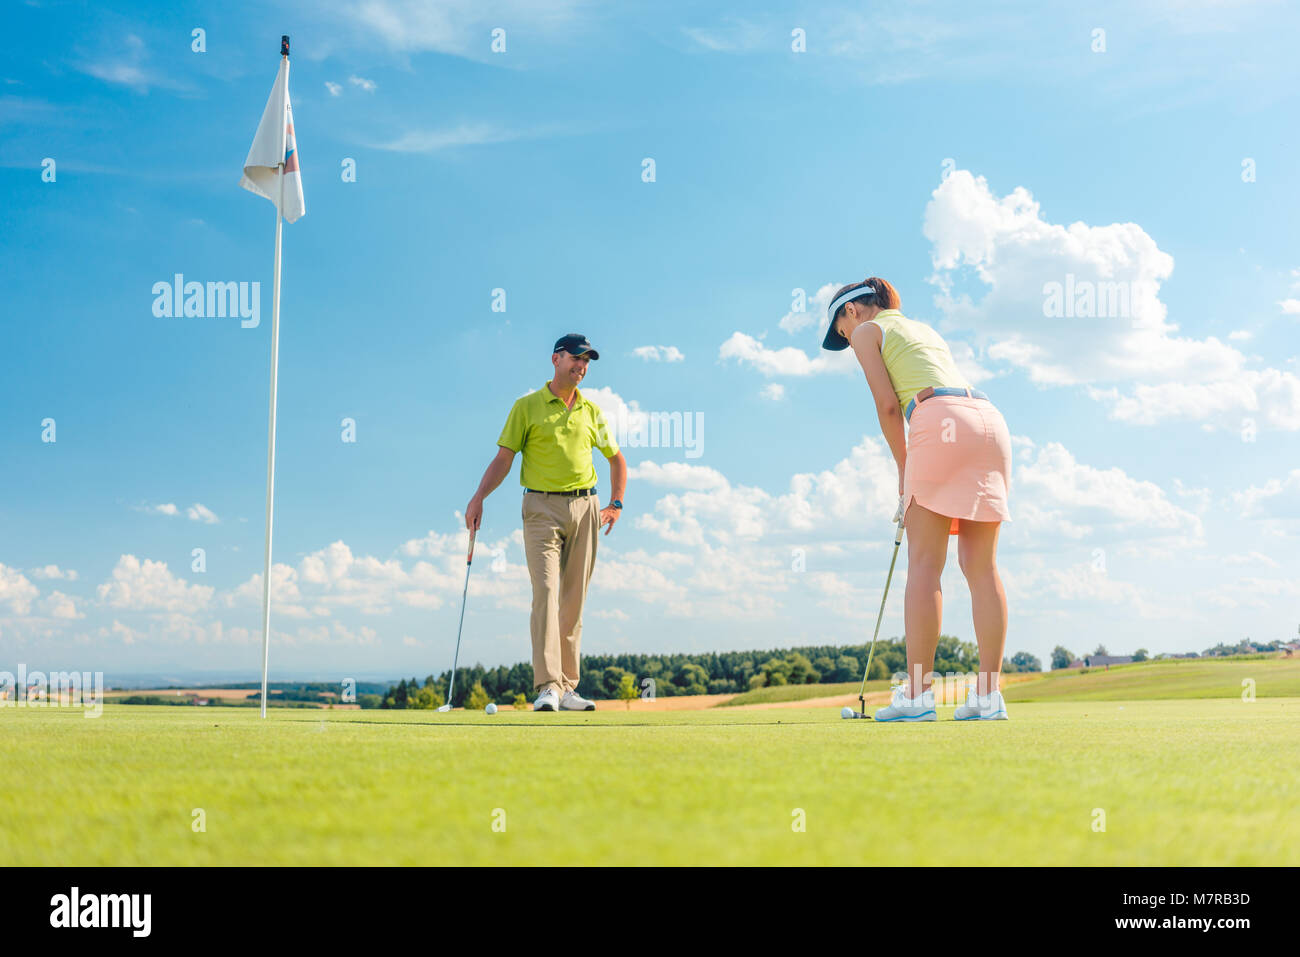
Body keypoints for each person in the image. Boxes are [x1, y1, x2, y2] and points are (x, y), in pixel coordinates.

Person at [822, 278, 1012, 721]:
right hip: (988, 422)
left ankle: (918, 697)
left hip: (938, 419)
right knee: (981, 567)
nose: (848, 340)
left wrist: (904, 471)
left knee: (926, 564)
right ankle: (988, 697)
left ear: (852, 312)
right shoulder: (923, 329)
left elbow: (888, 406)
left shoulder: (870, 332)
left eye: (841, 331)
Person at [465, 334, 627, 712]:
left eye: (587, 361)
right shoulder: (527, 406)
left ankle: (568, 687)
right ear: (556, 359)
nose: (582, 366)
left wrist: (615, 505)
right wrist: (478, 497)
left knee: (573, 602)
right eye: (576, 358)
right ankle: (548, 687)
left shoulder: (591, 412)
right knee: (547, 592)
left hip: (586, 507)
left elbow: (616, 460)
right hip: (540, 508)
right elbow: (504, 459)